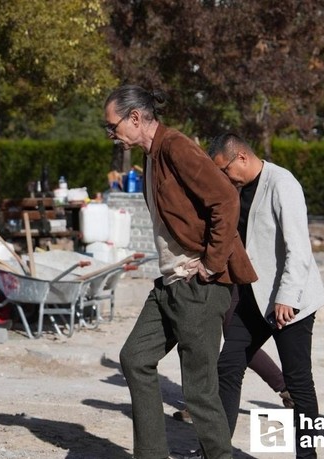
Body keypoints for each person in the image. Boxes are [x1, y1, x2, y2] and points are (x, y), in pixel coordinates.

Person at [106, 85, 257, 459]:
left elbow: (225, 198)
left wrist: (211, 263)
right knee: (135, 358)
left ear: (136, 118)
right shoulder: (153, 156)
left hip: (198, 286)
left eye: (112, 125)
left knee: (198, 391)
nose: (111, 134)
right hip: (171, 283)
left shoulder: (175, 146)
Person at [208, 133, 324, 458]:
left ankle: (307, 455)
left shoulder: (281, 183)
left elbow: (298, 247)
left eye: (225, 170)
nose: (224, 177)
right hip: (255, 299)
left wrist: (287, 296)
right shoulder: (240, 188)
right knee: (228, 365)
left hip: (290, 301)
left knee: (298, 381)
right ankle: (217, 453)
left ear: (241, 157)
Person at [173, 286, 294, 424]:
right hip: (199, 281)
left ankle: (288, 391)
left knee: (237, 344)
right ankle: (200, 404)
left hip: (229, 277)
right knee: (202, 340)